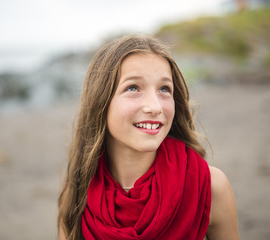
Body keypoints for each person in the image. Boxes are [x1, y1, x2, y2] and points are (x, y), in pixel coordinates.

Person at [58, 34, 239, 240]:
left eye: (164, 89)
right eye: (133, 88)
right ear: (101, 101)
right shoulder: (77, 193)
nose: (155, 107)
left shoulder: (210, 186)